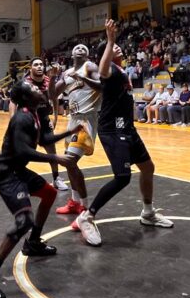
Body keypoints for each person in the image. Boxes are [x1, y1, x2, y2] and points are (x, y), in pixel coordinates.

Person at [0, 81, 78, 298]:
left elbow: (44, 140)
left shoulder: (36, 113)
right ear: (25, 97)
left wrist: (70, 131)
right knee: (23, 221)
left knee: (49, 193)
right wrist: (56, 158)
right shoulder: (22, 117)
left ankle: (33, 244)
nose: (38, 89)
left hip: (18, 171)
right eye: (33, 89)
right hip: (6, 174)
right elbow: (23, 151)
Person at [73, 20, 173, 247]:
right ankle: (86, 216)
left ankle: (148, 212)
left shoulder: (120, 71)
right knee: (123, 177)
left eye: (117, 46)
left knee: (148, 167)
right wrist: (110, 40)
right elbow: (102, 68)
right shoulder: (108, 70)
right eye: (113, 48)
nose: (118, 48)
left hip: (127, 127)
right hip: (112, 129)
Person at [54, 44, 102, 221]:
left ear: (87, 54)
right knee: (69, 163)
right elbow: (53, 94)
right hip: (72, 121)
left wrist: (82, 77)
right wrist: (53, 78)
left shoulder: (89, 67)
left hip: (86, 119)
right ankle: (74, 202)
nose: (80, 48)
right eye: (77, 47)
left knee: (70, 160)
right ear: (71, 53)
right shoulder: (66, 73)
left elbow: (101, 86)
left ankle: (85, 205)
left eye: (84, 48)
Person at [21, 57, 68, 191]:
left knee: (52, 152)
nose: (39, 67)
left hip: (44, 120)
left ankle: (56, 178)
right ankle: (19, 178)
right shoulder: (25, 83)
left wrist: (55, 118)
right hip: (29, 121)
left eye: (41, 64)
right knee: (24, 153)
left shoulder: (48, 81)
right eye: (36, 64)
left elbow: (54, 97)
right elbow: (16, 102)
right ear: (30, 68)